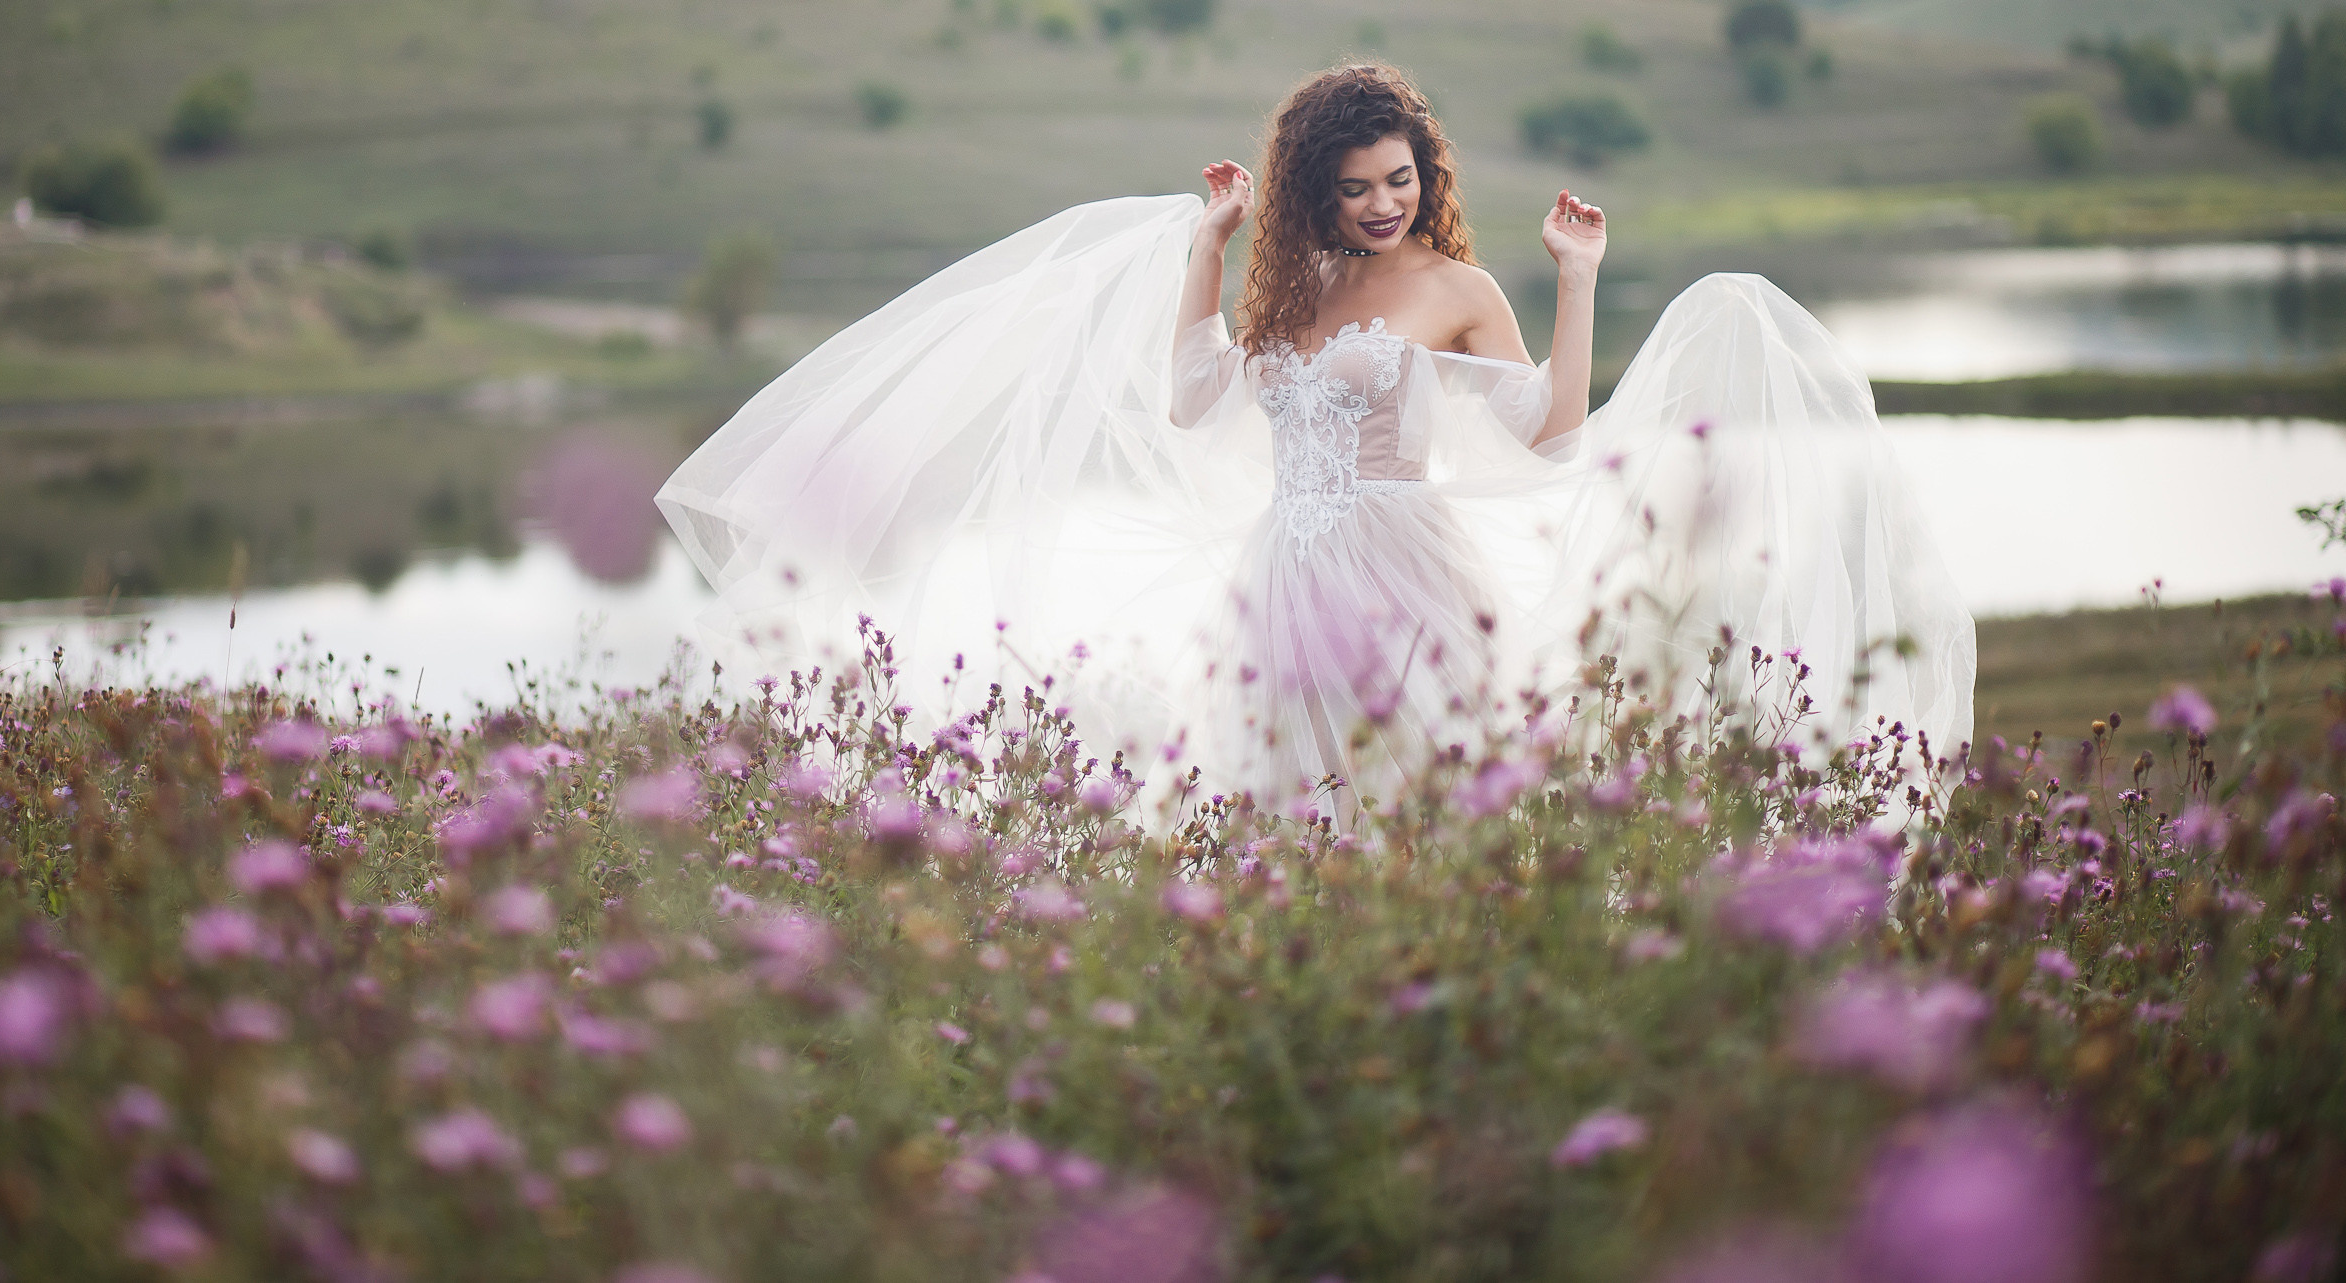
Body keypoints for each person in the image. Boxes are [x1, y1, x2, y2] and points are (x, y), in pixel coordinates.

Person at [658, 64, 1972, 817]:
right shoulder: (1286, 294)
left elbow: (1555, 433)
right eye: (1357, 188)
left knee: (1430, 790)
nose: (1386, 203)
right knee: (1301, 803)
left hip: (1408, 566)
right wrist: (1205, 249)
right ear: (1314, 194)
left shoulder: (1461, 290)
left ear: (1427, 178)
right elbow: (1190, 396)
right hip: (1286, 572)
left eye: (1402, 180)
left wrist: (1577, 277)